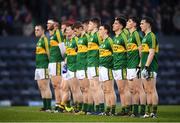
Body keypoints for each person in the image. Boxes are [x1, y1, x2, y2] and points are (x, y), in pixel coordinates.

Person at [126, 16, 146, 117]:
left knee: (139, 89)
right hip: (129, 66)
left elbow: (141, 50)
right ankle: (135, 111)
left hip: (135, 66)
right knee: (132, 90)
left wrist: (139, 65)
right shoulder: (129, 36)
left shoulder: (136, 34)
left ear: (134, 24)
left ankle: (142, 111)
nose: (127, 22)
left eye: (129, 21)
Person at [112, 17, 131, 115]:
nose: (113, 25)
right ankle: (124, 108)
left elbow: (129, 51)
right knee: (120, 89)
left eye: (115, 23)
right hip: (116, 66)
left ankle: (128, 108)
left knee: (125, 88)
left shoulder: (123, 36)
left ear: (120, 26)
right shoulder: (115, 38)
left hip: (123, 65)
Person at [140, 16, 159, 118]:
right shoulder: (144, 37)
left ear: (148, 24)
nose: (140, 25)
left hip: (150, 67)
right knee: (147, 90)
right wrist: (141, 66)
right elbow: (144, 54)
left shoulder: (151, 36)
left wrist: (146, 67)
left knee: (152, 89)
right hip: (144, 67)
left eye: (142, 23)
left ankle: (154, 113)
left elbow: (151, 53)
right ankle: (148, 112)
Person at [87, 18, 105, 115]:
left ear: (95, 25)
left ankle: (101, 109)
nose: (88, 26)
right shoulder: (91, 35)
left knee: (98, 87)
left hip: (95, 64)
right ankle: (96, 107)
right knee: (93, 87)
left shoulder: (98, 35)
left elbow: (103, 47)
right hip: (90, 64)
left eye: (89, 24)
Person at [98, 24, 116, 116]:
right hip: (102, 67)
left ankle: (112, 110)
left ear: (106, 31)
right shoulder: (102, 42)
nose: (99, 31)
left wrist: (111, 65)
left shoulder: (109, 41)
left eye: (100, 29)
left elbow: (115, 54)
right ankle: (108, 109)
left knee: (110, 89)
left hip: (108, 67)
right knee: (105, 90)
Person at [47, 19, 64, 112]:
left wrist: (63, 58)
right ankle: (57, 103)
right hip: (52, 62)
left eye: (49, 23)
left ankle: (62, 104)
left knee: (58, 84)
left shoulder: (58, 33)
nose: (47, 25)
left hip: (57, 61)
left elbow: (62, 46)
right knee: (55, 85)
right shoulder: (52, 35)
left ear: (55, 24)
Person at [34, 24, 52, 112]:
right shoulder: (39, 40)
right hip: (38, 67)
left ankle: (48, 107)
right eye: (35, 30)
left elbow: (49, 53)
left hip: (44, 66)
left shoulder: (45, 39)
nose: (36, 31)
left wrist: (49, 65)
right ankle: (45, 106)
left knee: (46, 86)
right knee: (41, 87)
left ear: (43, 31)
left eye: (38, 30)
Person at [73, 22, 90, 114]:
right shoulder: (79, 39)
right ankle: (84, 108)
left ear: (80, 28)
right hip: (79, 66)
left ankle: (86, 109)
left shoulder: (87, 37)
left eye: (76, 31)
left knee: (86, 88)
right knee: (83, 89)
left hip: (84, 66)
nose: (75, 33)